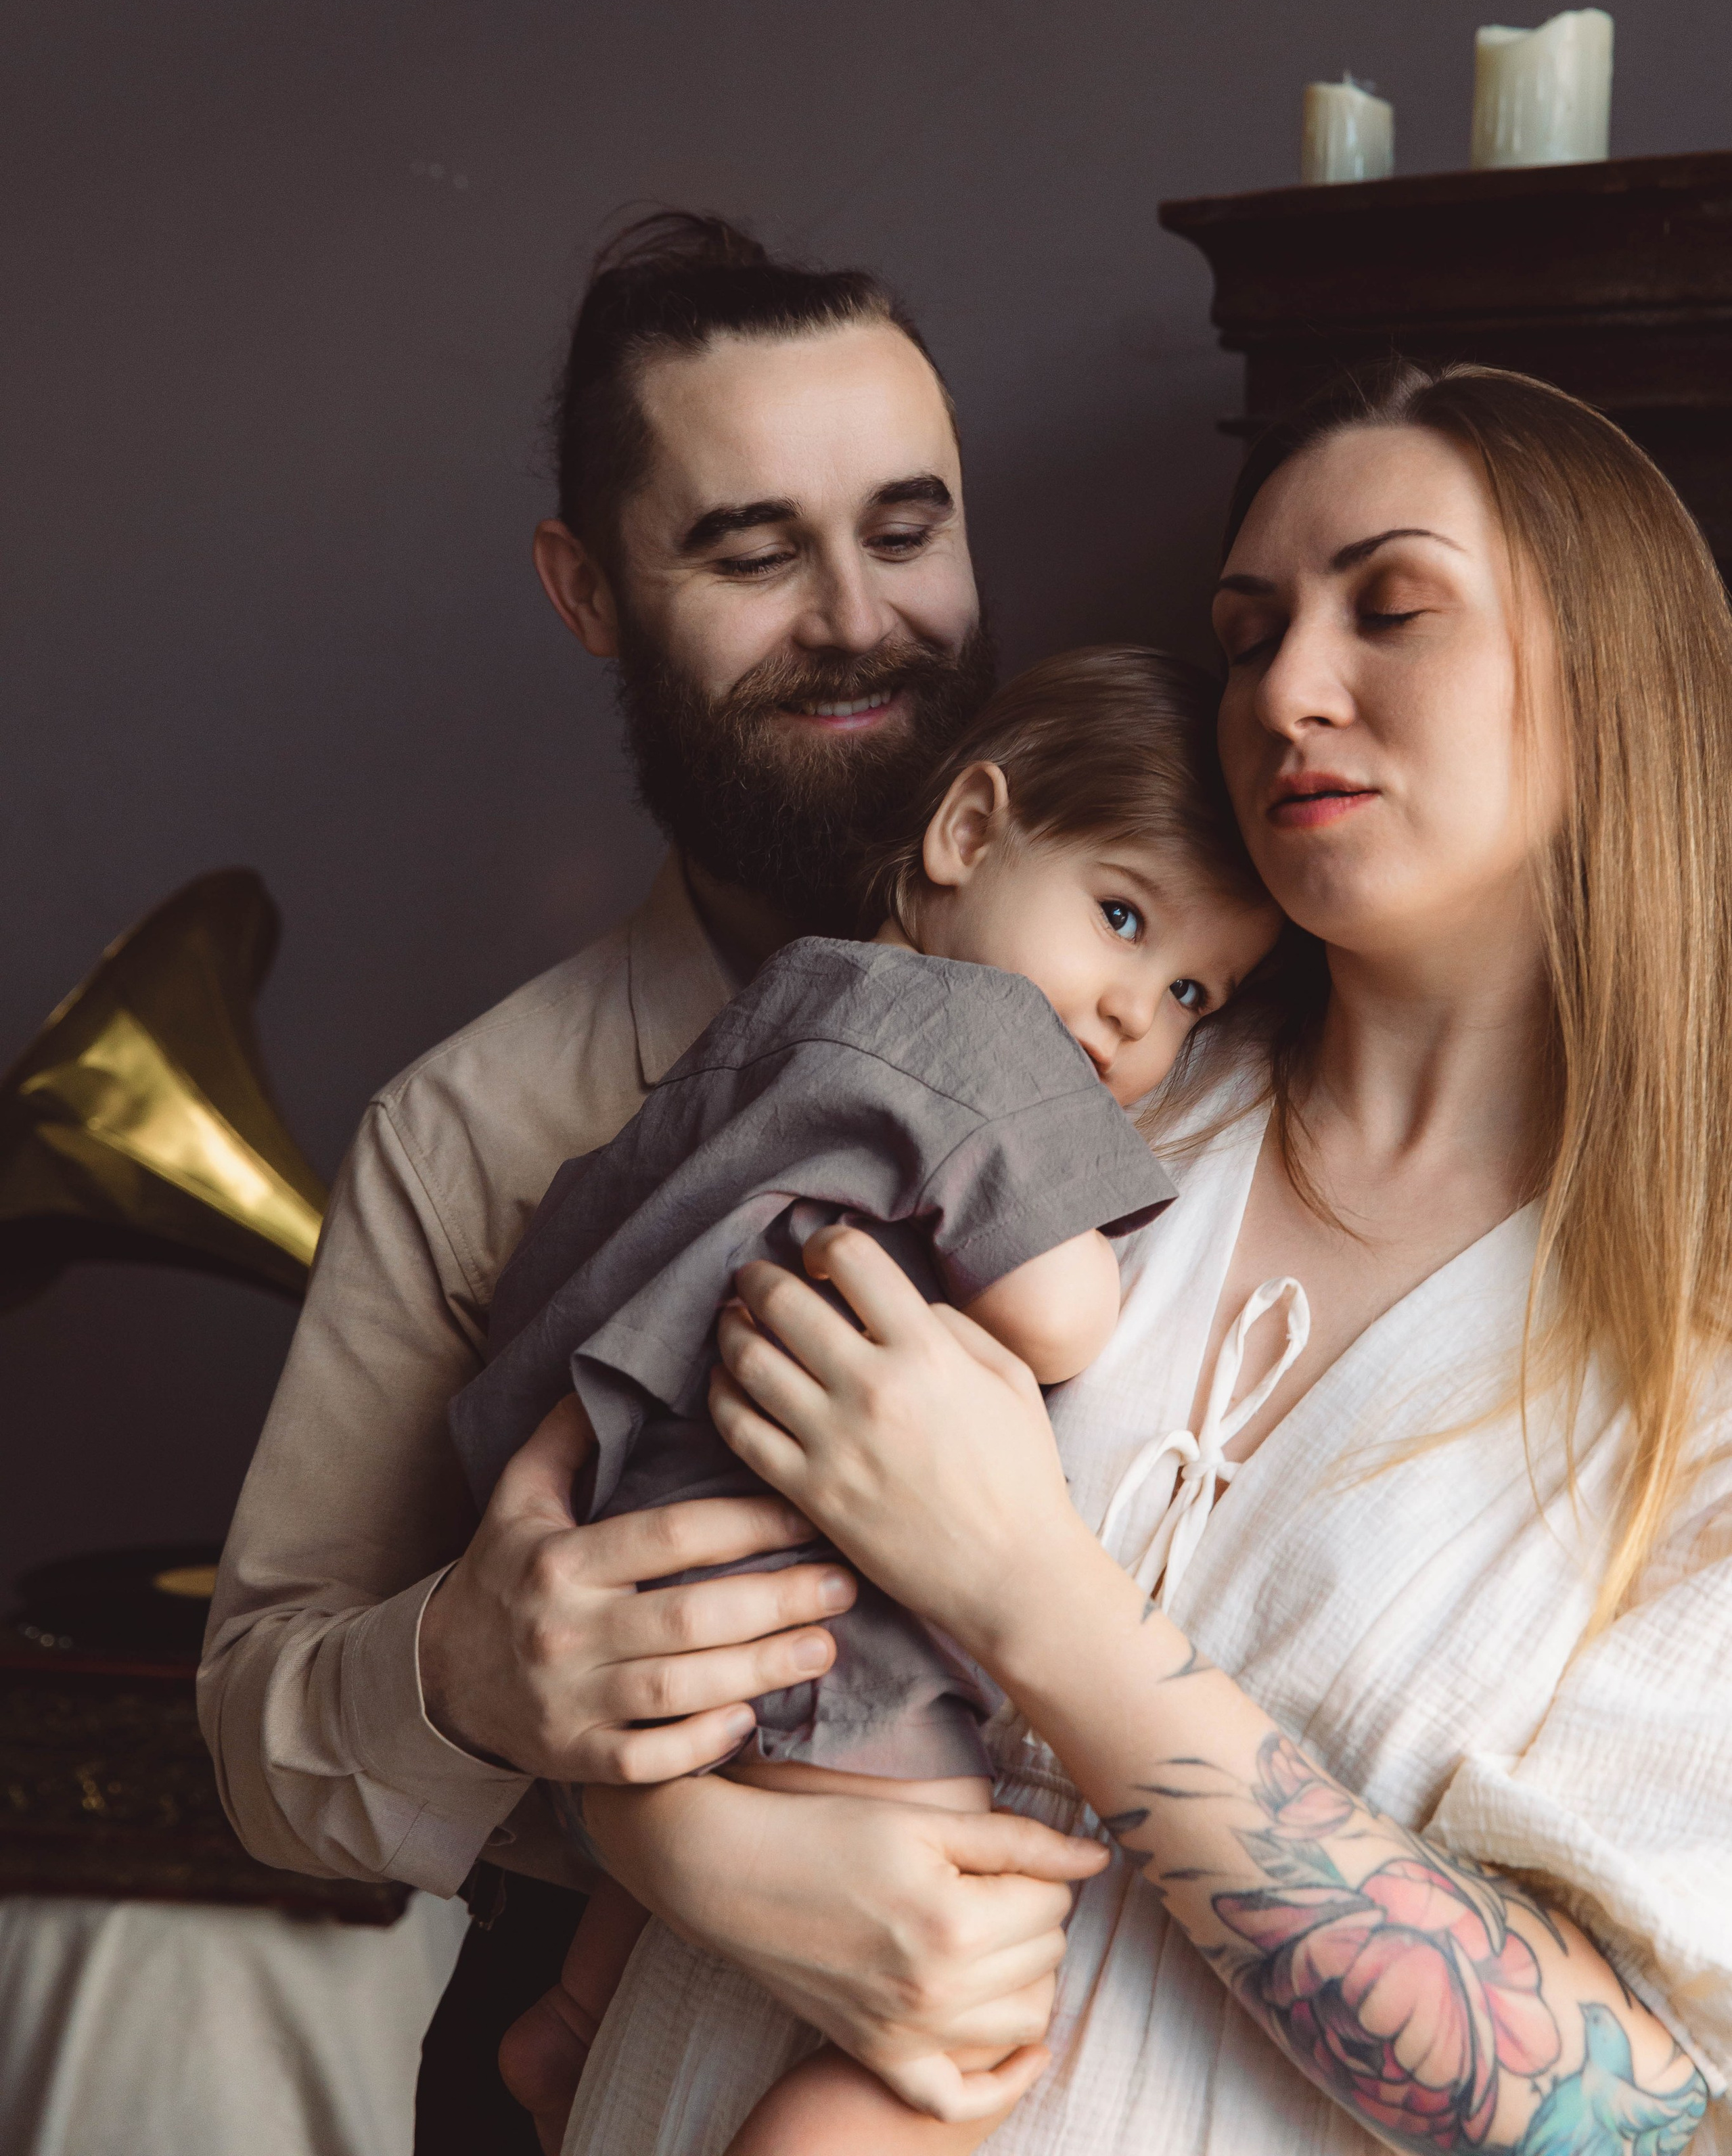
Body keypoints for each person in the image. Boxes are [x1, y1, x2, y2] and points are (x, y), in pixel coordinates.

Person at [557, 365, 1732, 2156]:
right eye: (1249, 634)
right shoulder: (1032, 1085)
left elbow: (1635, 2119)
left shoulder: (1692, 1359)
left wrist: (1033, 1587)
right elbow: (635, 1550)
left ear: (1617, 686)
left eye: (1390, 609)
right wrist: (667, 1833)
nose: (1286, 695)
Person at [200, 211, 1100, 2140]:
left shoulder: (1198, 997)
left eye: (906, 527)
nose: (860, 617)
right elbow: (259, 1722)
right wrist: (465, 1671)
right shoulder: (464, 1125)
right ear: (590, 588)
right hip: (584, 2048)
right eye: (751, 551)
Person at [451, 647, 1279, 2151]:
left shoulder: (790, 1004)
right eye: (1116, 915)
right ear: (967, 832)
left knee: (736, 1825)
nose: (1128, 1016)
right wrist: (1090, 1250)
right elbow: (1058, 1307)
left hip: (650, 1535)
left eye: (1187, 992)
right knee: (964, 1966)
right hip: (792, 1581)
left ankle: (575, 2021)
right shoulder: (985, 1036)